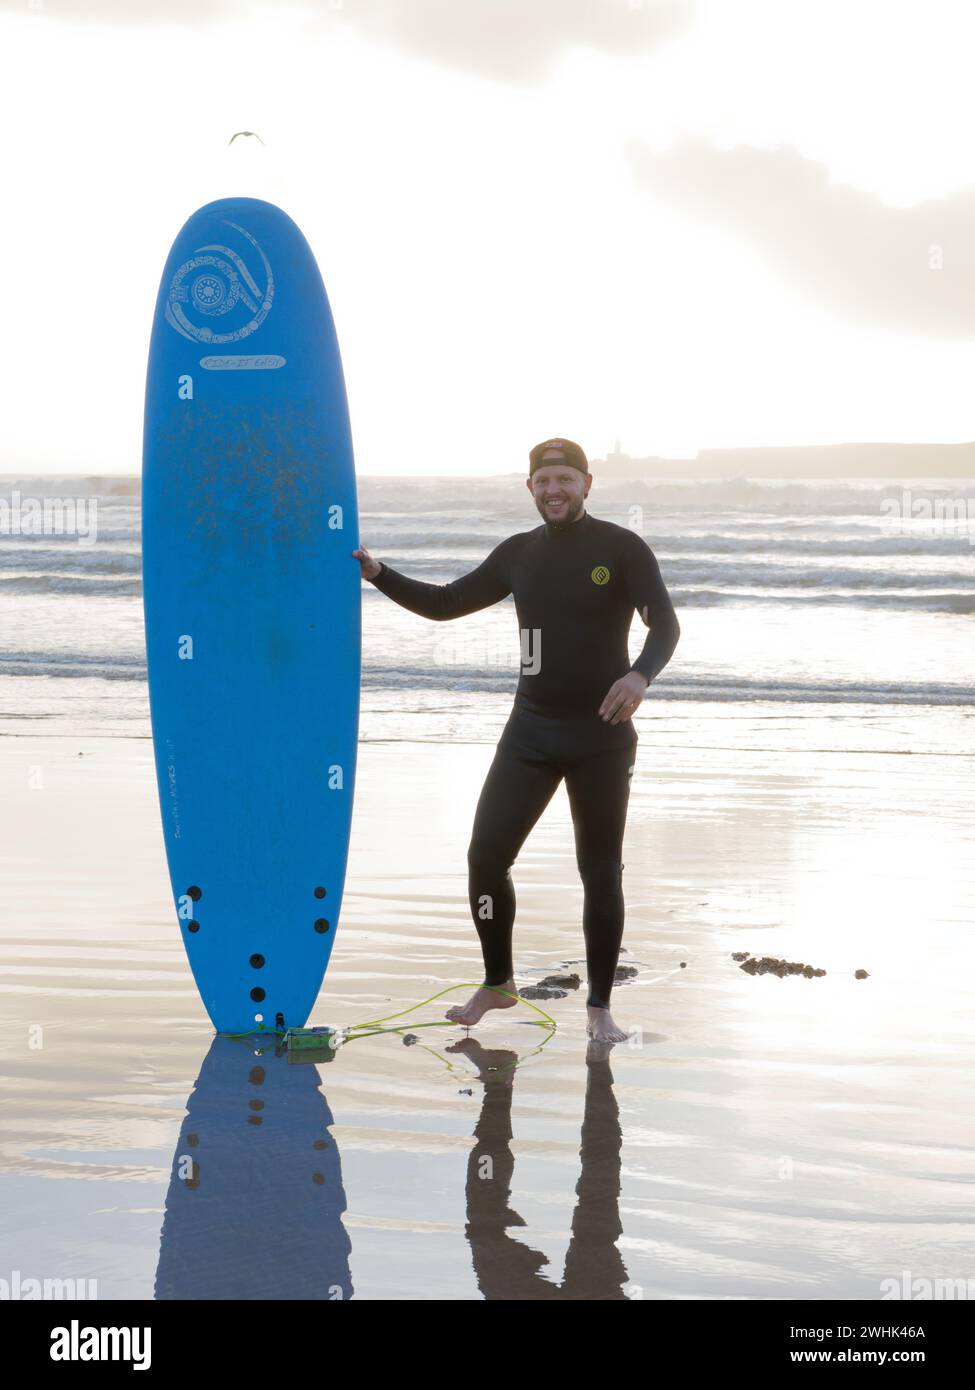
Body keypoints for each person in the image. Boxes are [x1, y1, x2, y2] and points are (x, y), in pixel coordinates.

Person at [352, 439, 680, 1043]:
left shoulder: (622, 547)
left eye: (565, 479)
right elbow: (447, 603)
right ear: (530, 487)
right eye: (542, 481)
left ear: (587, 483)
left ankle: (600, 1008)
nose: (554, 490)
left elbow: (666, 623)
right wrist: (379, 574)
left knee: (600, 872)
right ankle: (498, 982)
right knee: (485, 857)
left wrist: (639, 674)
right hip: (529, 730)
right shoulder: (518, 554)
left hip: (602, 737)